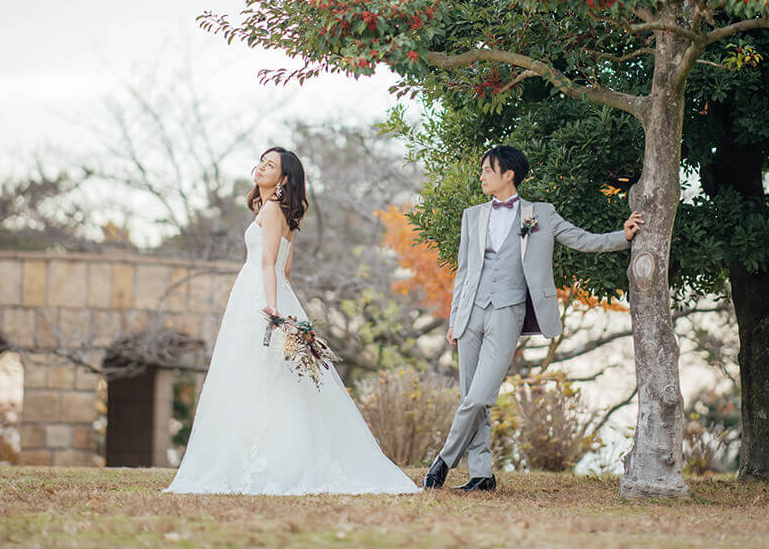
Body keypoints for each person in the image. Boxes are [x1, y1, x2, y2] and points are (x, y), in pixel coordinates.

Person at [166, 146, 418, 495]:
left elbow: (269, 264)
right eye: (261, 161)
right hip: (273, 291)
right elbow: (286, 269)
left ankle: (259, 461)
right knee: (274, 381)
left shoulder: (270, 210)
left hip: (260, 296)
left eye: (270, 165)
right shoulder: (283, 213)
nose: (260, 167)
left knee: (252, 375)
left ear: (283, 179)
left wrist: (271, 310)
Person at [423, 145, 644, 492]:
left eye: (486, 170)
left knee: (480, 397)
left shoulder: (539, 213)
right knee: (471, 398)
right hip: (470, 315)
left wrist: (624, 236)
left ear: (508, 174)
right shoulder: (472, 216)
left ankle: (443, 461)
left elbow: (580, 239)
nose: (481, 176)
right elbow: (464, 273)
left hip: (508, 312)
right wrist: (455, 319)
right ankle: (481, 475)